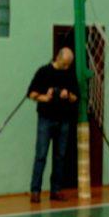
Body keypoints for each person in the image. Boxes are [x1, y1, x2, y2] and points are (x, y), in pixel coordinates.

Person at [27, 47, 78, 203]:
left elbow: (76, 97)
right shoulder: (43, 72)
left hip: (64, 120)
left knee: (60, 156)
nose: (67, 67)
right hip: (46, 119)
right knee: (41, 155)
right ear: (58, 58)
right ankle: (35, 191)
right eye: (65, 64)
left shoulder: (69, 74)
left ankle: (55, 190)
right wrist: (45, 97)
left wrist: (67, 95)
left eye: (69, 64)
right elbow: (31, 94)